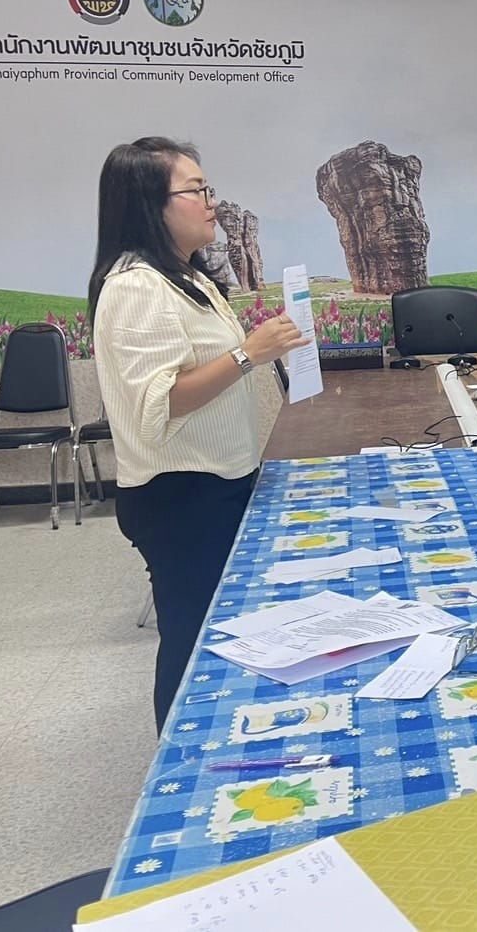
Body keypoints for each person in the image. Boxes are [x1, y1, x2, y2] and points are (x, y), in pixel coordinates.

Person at [89, 137, 307, 731]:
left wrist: (257, 351)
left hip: (220, 479)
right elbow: (155, 406)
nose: (211, 201)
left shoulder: (186, 276)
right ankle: (180, 769)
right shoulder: (136, 286)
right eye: (195, 190)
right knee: (191, 641)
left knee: (220, 632)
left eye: (208, 188)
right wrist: (247, 354)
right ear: (149, 204)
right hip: (180, 493)